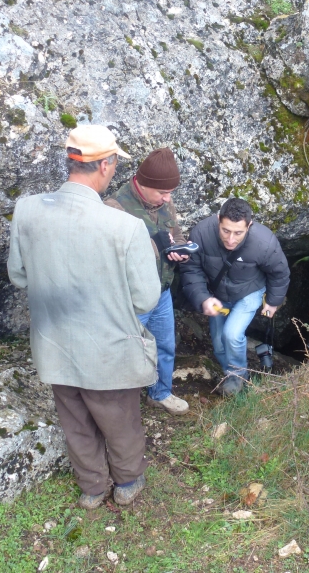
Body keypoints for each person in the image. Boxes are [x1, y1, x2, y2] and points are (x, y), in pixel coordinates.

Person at [7, 125, 160, 509]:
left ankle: (92, 487)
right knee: (118, 417)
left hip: (54, 342)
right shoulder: (125, 227)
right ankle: (126, 481)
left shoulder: (27, 210)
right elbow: (145, 298)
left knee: (74, 417)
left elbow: (18, 275)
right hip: (108, 348)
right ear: (106, 166)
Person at [104, 147, 190, 416]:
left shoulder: (165, 201)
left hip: (161, 290)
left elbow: (175, 233)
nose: (167, 198)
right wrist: (155, 245)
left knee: (165, 345)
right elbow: (110, 256)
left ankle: (160, 393)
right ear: (143, 183)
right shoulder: (114, 207)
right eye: (162, 193)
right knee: (127, 350)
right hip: (131, 297)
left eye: (170, 194)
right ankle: (119, 407)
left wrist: (181, 250)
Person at [180, 198, 290, 396]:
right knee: (219, 342)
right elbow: (191, 269)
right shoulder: (201, 234)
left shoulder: (264, 242)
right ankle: (229, 374)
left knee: (231, 334)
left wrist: (273, 302)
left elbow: (279, 273)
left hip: (249, 291)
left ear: (249, 225)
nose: (231, 239)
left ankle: (238, 378)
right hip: (219, 294)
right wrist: (203, 298)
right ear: (218, 220)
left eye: (238, 233)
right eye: (225, 230)